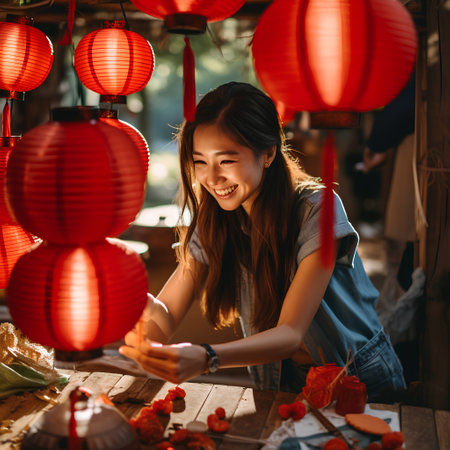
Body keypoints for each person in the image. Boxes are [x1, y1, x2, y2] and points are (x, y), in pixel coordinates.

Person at [119, 82, 406, 402]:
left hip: (356, 379)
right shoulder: (215, 218)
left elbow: (290, 333)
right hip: (280, 382)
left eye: (226, 161)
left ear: (268, 153)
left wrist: (206, 356)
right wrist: (131, 299)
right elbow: (166, 315)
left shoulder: (318, 209)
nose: (211, 178)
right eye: (200, 161)